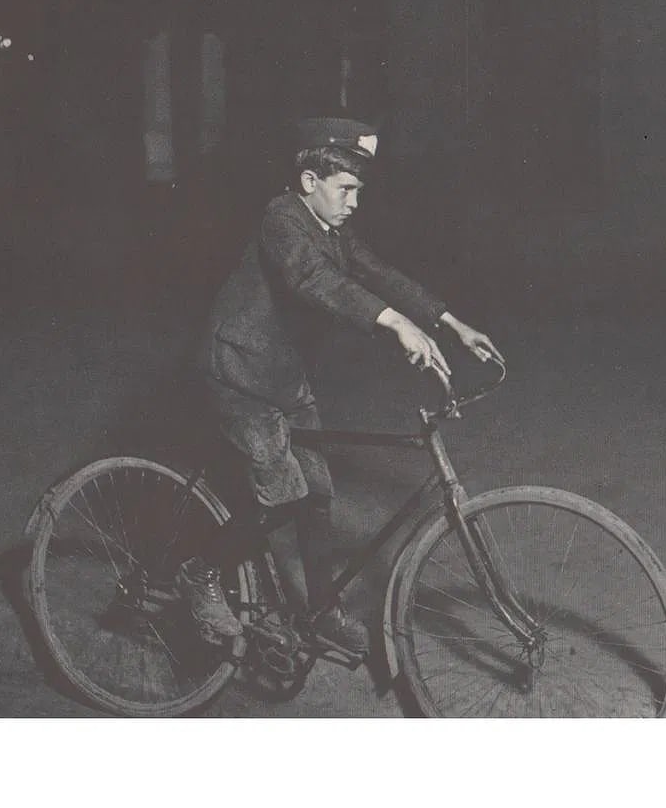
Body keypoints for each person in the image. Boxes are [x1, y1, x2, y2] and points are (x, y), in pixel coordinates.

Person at [180, 116, 502, 653]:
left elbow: (380, 273)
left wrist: (451, 322)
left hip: (284, 376)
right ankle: (199, 573)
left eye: (358, 190)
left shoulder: (333, 229)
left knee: (318, 498)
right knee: (283, 496)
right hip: (239, 374)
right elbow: (313, 280)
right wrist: (395, 323)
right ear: (310, 182)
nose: (354, 202)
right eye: (345, 189)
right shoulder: (281, 219)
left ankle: (321, 610)